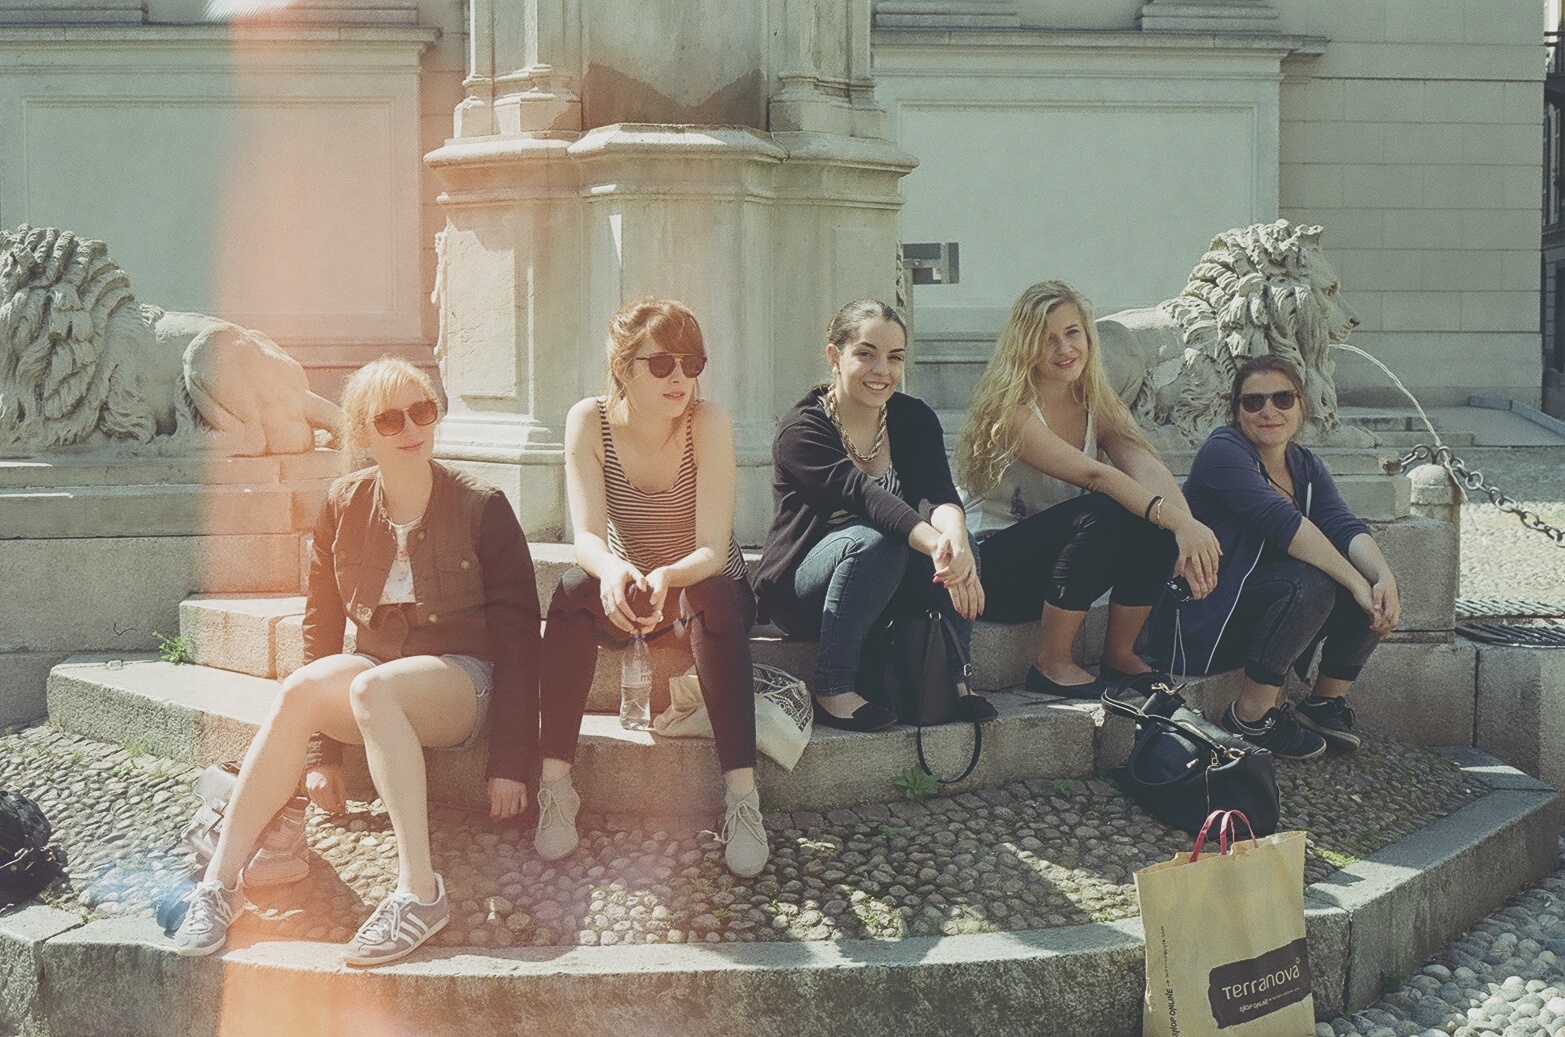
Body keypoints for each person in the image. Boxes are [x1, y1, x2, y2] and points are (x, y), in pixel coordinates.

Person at [172, 356, 541, 965]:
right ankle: (221, 882)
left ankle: (420, 894)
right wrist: (322, 755)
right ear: (363, 433)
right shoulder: (344, 505)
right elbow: (321, 626)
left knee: (375, 689)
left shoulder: (482, 505)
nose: (410, 428)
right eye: (390, 419)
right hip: (377, 671)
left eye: (422, 411)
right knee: (301, 688)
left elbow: (520, 637)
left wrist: (512, 760)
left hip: (462, 681)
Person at [535, 299, 768, 878]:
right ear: (622, 367)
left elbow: (711, 550)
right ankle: (556, 786)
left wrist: (667, 575)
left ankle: (743, 799)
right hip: (633, 590)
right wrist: (614, 571)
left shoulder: (707, 423)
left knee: (712, 594)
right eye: (662, 364)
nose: (680, 378)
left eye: (693, 363)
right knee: (570, 591)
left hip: (705, 590)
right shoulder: (588, 421)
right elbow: (587, 537)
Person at [953, 281, 1222, 698]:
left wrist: (1187, 532)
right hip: (992, 570)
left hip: (1062, 566)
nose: (1064, 348)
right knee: (1109, 509)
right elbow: (1098, 477)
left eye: (1072, 332)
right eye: (1047, 339)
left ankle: (1119, 654)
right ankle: (1052, 663)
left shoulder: (1094, 400)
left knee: (1152, 519)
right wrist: (1182, 525)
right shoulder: (1011, 411)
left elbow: (1143, 464)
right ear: (1024, 346)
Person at [755, 299, 994, 733]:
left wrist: (956, 538)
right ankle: (834, 688)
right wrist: (938, 545)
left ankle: (954, 678)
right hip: (805, 590)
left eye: (895, 357)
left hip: (884, 583)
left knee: (962, 542)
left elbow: (937, 492)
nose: (882, 370)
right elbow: (866, 498)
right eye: (866, 354)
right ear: (834, 356)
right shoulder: (802, 429)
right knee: (877, 539)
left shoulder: (913, 417)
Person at [1145, 354, 1399, 759]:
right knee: (1315, 582)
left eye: (1283, 399)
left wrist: (1384, 579)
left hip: (1259, 617)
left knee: (1369, 582)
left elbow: (1343, 525)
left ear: (1302, 406)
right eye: (1253, 401)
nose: (1268, 411)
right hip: (1203, 618)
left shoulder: (1305, 465)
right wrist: (1356, 583)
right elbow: (1284, 525)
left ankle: (1323, 703)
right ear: (1236, 411)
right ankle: (1251, 716)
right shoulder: (1223, 452)